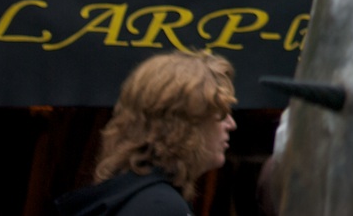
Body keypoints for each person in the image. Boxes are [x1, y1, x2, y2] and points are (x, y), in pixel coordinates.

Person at [54, 52, 238, 216]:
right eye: (221, 114)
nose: (232, 124)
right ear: (185, 125)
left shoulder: (134, 196)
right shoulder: (160, 206)